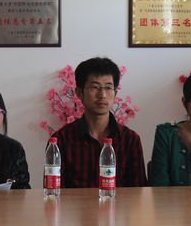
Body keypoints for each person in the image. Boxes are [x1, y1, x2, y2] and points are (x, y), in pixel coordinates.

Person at [52, 57, 147, 188]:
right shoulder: (60, 141)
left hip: (118, 202)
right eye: (94, 87)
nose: (102, 95)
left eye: (108, 88)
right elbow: (53, 193)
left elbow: (138, 192)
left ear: (115, 93)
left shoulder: (130, 140)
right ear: (79, 93)